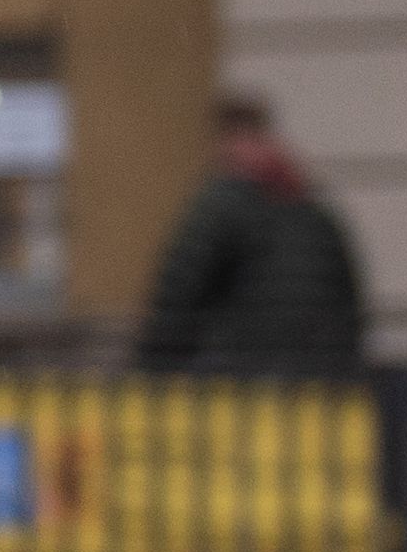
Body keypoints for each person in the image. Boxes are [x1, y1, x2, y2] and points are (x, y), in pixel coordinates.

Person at [133, 91, 370, 370]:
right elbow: (351, 303)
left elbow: (178, 296)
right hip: (318, 389)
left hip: (242, 387)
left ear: (224, 139)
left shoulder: (222, 203)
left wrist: (148, 367)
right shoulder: (313, 209)